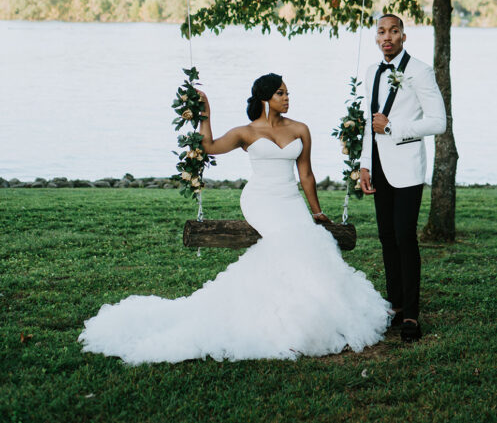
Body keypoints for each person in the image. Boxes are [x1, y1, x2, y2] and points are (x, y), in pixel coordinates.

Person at [79, 73, 391, 364]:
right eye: (281, 93)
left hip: (291, 199)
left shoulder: (300, 129)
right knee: (291, 243)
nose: (287, 98)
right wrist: (205, 114)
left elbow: (306, 174)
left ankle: (321, 313)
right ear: (266, 98)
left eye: (287, 93)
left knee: (311, 242)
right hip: (261, 200)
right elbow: (209, 148)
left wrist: (317, 210)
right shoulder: (246, 132)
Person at [359, 15, 446, 342]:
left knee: (405, 237)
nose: (387, 37)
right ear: (376, 37)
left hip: (408, 166)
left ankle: (411, 314)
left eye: (393, 31)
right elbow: (371, 122)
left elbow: (438, 123)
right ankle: (394, 307)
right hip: (378, 164)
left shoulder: (420, 71)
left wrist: (394, 128)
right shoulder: (372, 72)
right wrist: (365, 164)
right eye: (381, 31)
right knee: (385, 237)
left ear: (403, 36)